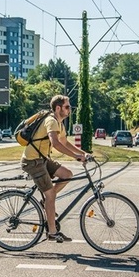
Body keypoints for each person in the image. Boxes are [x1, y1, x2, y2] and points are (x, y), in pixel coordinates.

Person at [21, 94, 89, 243]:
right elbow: (56, 144)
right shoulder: (51, 121)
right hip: (33, 161)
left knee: (67, 174)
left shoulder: (60, 123)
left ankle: (46, 201)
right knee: (51, 194)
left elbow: (65, 142)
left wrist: (84, 153)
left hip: (42, 159)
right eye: (67, 107)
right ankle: (52, 232)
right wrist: (76, 157)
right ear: (58, 108)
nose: (69, 109)